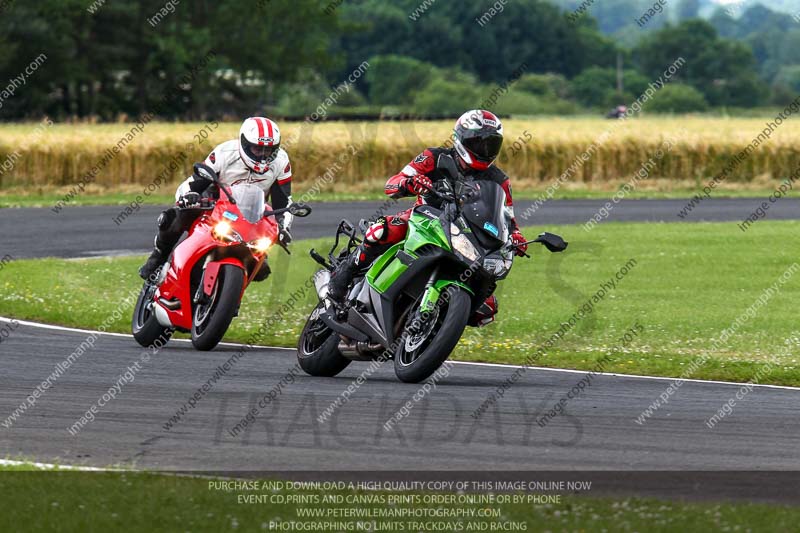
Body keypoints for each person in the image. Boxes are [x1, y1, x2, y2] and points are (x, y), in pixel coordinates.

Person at [327, 109, 528, 326]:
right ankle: (341, 280)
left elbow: (507, 217)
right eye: (479, 143)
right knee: (381, 231)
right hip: (424, 217)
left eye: (491, 144)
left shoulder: (499, 180)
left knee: (486, 309)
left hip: (467, 233)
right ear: (461, 138)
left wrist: (516, 236)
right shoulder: (434, 157)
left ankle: (432, 327)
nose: (485, 150)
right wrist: (408, 183)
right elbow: (394, 181)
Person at [139, 117, 294, 280]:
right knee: (173, 218)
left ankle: (231, 301)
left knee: (261, 269)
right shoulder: (224, 153)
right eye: (257, 149)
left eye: (268, 150)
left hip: (250, 214)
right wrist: (188, 197)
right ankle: (159, 255)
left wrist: (284, 228)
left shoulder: (281, 162)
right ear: (245, 143)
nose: (263, 155)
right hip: (213, 204)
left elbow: (283, 202)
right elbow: (194, 183)